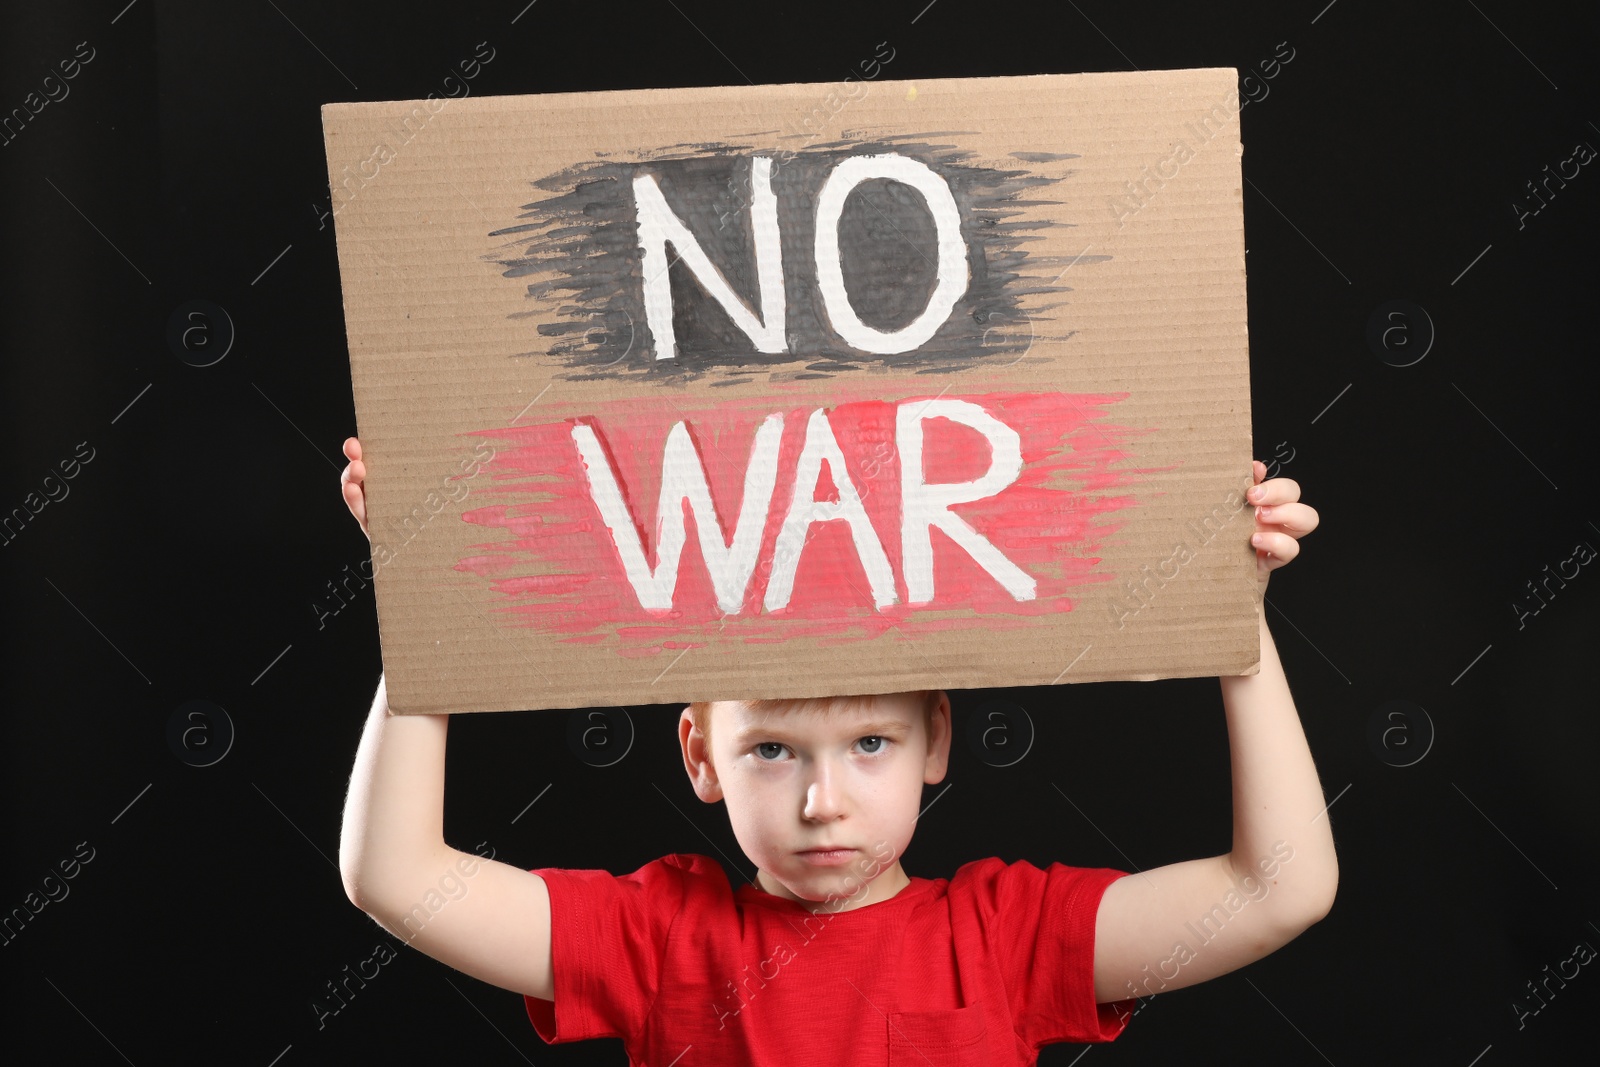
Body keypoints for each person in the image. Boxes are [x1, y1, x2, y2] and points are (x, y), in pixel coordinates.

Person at [336, 435, 1335, 1064]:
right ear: (699, 754)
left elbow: (1277, 889)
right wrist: (420, 606)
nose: (824, 800)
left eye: (868, 741)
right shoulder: (660, 940)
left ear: (934, 736)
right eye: (771, 747)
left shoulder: (1003, 936)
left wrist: (1233, 625)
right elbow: (395, 872)